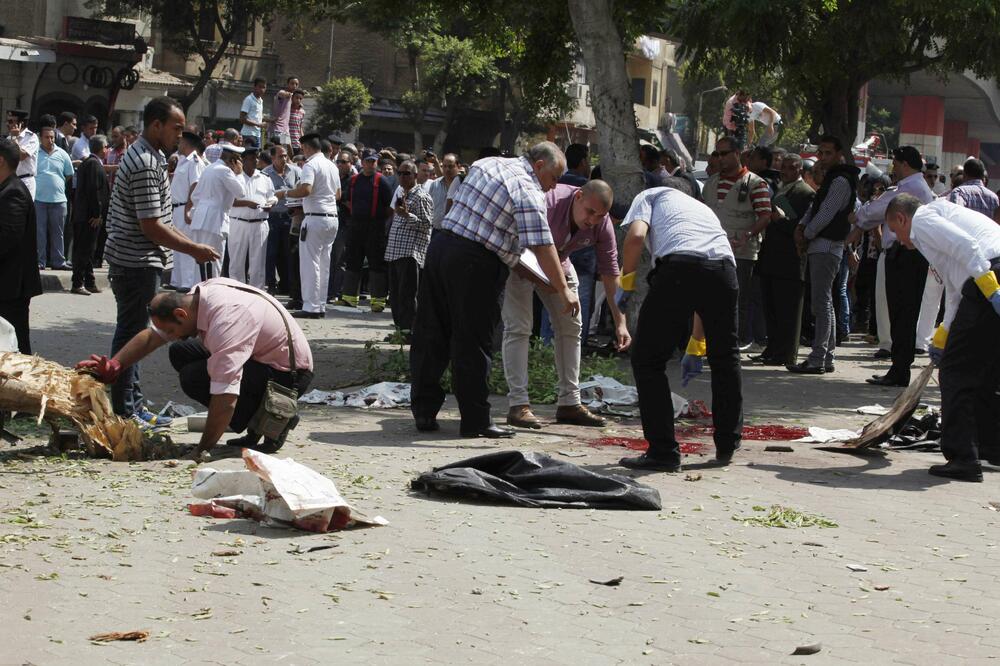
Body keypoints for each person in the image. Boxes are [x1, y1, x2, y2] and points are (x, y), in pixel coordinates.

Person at [409, 142, 579, 439]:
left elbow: (509, 248)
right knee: (472, 342)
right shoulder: (527, 188)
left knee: (430, 332)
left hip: (441, 248)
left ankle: (424, 411)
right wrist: (563, 290)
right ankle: (476, 421)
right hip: (474, 263)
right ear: (539, 165)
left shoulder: (489, 164)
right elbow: (541, 245)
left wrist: (546, 283)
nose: (554, 186)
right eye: (554, 177)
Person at [77, 278, 314, 457]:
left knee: (196, 377)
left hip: (289, 376)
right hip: (264, 358)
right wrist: (116, 364)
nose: (170, 336)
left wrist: (202, 449)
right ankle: (256, 424)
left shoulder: (227, 321)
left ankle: (276, 417)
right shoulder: (197, 298)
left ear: (181, 313)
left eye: (171, 330)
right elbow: (152, 337)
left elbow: (226, 396)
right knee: (180, 351)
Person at [101, 97, 221, 423]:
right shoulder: (143, 162)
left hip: (141, 261)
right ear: (156, 125)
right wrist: (193, 248)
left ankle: (133, 404)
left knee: (137, 331)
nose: (179, 136)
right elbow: (151, 225)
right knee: (132, 334)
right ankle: (126, 409)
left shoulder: (152, 157)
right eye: (176, 128)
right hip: (135, 261)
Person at [616, 183, 743, 471]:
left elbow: (635, 238)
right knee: (725, 358)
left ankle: (663, 452)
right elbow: (704, 279)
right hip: (724, 271)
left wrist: (627, 282)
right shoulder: (702, 209)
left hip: (679, 269)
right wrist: (696, 345)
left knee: (647, 361)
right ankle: (727, 443)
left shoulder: (649, 195)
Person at [884, 195, 1000, 482]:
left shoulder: (922, 220)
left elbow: (968, 248)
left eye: (896, 231)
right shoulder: (939, 220)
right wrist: (943, 335)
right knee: (985, 372)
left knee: (955, 372)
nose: (899, 240)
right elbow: (955, 286)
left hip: (990, 274)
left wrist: (991, 288)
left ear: (902, 218)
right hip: (988, 272)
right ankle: (990, 448)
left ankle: (963, 458)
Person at [503, 179, 629, 430]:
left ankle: (570, 403)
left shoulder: (602, 224)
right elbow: (535, 247)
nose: (592, 220)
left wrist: (620, 322)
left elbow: (610, 271)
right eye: (590, 212)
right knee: (519, 327)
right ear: (578, 196)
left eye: (600, 215)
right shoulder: (549, 203)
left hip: (559, 262)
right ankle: (518, 405)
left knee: (572, 327)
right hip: (520, 258)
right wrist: (561, 289)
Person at [853, 146, 936, 385]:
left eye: (896, 164)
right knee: (901, 313)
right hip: (907, 254)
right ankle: (899, 368)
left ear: (905, 165)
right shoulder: (917, 186)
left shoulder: (909, 188)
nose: (894, 170)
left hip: (905, 255)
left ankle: (900, 370)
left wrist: (858, 217)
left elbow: (876, 211)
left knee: (902, 313)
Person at [786, 136, 859, 374]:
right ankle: (825, 357)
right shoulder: (833, 179)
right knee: (824, 302)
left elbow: (826, 213)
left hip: (826, 246)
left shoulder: (840, 181)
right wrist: (803, 230)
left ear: (839, 154)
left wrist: (805, 233)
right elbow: (816, 208)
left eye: (828, 153)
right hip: (822, 245)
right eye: (821, 153)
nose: (823, 157)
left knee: (822, 303)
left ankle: (819, 358)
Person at [703, 136, 771, 348]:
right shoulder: (712, 182)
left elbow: (765, 215)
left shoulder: (755, 183)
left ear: (737, 153)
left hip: (741, 252)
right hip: (711, 250)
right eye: (717, 154)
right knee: (710, 298)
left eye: (724, 153)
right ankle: (709, 340)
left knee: (737, 297)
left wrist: (748, 235)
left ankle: (733, 342)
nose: (720, 158)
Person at [753, 154, 814, 365]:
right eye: (784, 168)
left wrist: (780, 220)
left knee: (787, 311)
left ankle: (785, 353)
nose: (786, 172)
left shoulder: (806, 193)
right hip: (772, 258)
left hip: (789, 261)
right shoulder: (780, 189)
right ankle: (772, 349)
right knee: (771, 309)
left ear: (799, 170)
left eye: (791, 168)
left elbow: (801, 228)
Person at [275, 133, 340, 318]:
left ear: (307, 148)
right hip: (331, 217)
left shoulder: (310, 165)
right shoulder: (331, 166)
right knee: (323, 263)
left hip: (315, 218)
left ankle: (311, 306)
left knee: (310, 263)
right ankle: (319, 305)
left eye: (303, 149)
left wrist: (284, 193)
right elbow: (338, 194)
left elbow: (306, 189)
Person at [189, 145, 258, 282]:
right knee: (214, 261)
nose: (241, 163)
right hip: (215, 220)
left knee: (199, 262)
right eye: (239, 160)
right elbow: (241, 192)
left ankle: (198, 293)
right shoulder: (225, 171)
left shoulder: (209, 168)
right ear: (233, 160)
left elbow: (195, 197)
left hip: (201, 218)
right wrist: (239, 174)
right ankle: (209, 296)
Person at [0, 138, 43, 354]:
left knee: (16, 350)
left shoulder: (13, 192)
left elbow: (6, 238)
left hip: (10, 288)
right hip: (8, 285)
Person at [336, 149, 393, 311]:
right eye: (367, 161)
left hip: (375, 228)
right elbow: (345, 199)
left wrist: (378, 219)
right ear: (362, 162)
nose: (370, 164)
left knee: (376, 264)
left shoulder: (382, 181)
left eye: (373, 161)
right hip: (355, 226)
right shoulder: (354, 180)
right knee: (353, 261)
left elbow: (390, 207)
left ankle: (378, 301)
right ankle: (349, 298)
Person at [384, 160, 433, 337]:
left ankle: (409, 331)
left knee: (407, 295)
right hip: (395, 252)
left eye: (407, 174)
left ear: (415, 176)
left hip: (410, 253)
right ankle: (400, 330)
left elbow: (427, 225)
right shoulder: (400, 193)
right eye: (400, 173)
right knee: (395, 296)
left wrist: (407, 215)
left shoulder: (422, 196)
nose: (403, 177)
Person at [227, 148, 275, 289]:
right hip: (238, 222)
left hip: (259, 223)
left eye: (257, 158)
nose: (256, 161)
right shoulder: (235, 177)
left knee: (258, 263)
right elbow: (228, 200)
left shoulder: (264, 177)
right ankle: (236, 290)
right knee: (236, 261)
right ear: (244, 160)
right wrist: (247, 203)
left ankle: (257, 291)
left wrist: (272, 202)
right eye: (252, 158)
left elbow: (272, 195)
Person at [70, 134, 111, 295]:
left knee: (88, 250)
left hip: (85, 215)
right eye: (106, 146)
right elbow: (93, 191)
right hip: (88, 216)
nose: (107, 149)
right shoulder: (93, 164)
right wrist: (96, 213)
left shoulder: (89, 163)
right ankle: (77, 283)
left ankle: (89, 281)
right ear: (102, 148)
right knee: (83, 250)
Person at [169, 131, 206, 292]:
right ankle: (178, 280)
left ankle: (188, 282)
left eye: (181, 141)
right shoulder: (183, 160)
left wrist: (188, 208)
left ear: (187, 143)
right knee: (176, 245)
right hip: (176, 207)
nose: (179, 144)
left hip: (185, 206)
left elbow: (195, 185)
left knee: (186, 243)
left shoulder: (195, 162)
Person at [33, 125, 75, 270]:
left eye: (52, 137)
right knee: (40, 232)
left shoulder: (62, 153)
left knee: (59, 233)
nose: (50, 140)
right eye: (47, 137)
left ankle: (59, 262)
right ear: (40, 138)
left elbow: (69, 174)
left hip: (58, 200)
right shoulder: (35, 153)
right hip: (39, 199)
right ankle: (40, 261)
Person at [263, 144, 300, 294]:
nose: (284, 159)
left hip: (290, 217)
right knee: (270, 253)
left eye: (285, 156)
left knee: (289, 253)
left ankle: (289, 286)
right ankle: (271, 285)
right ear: (272, 157)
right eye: (280, 156)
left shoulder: (296, 171)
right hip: (272, 217)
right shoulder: (265, 174)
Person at [7, 109, 38, 200]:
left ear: (21, 123)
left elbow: (21, 156)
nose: (8, 124)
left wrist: (15, 138)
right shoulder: (9, 138)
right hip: (10, 181)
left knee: (24, 212)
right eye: (8, 121)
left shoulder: (31, 137)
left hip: (26, 181)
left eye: (11, 121)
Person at [427, 152, 461, 231]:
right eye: (444, 166)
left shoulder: (463, 186)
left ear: (458, 166)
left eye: (450, 166)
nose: (447, 169)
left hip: (453, 233)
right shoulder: (435, 184)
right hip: (434, 230)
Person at [269, 76, 298, 146]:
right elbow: (282, 94)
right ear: (287, 84)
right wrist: (289, 94)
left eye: (296, 84)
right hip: (277, 129)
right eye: (292, 83)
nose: (294, 86)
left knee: (285, 150)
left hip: (285, 130)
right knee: (276, 150)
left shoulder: (291, 98)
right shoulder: (282, 92)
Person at [240, 78, 268, 149]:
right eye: (260, 86)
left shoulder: (261, 100)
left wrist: (270, 120)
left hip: (257, 134)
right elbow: (242, 119)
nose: (261, 89)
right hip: (248, 134)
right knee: (247, 157)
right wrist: (259, 124)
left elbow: (257, 117)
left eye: (263, 87)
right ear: (254, 87)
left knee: (255, 157)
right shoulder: (248, 99)